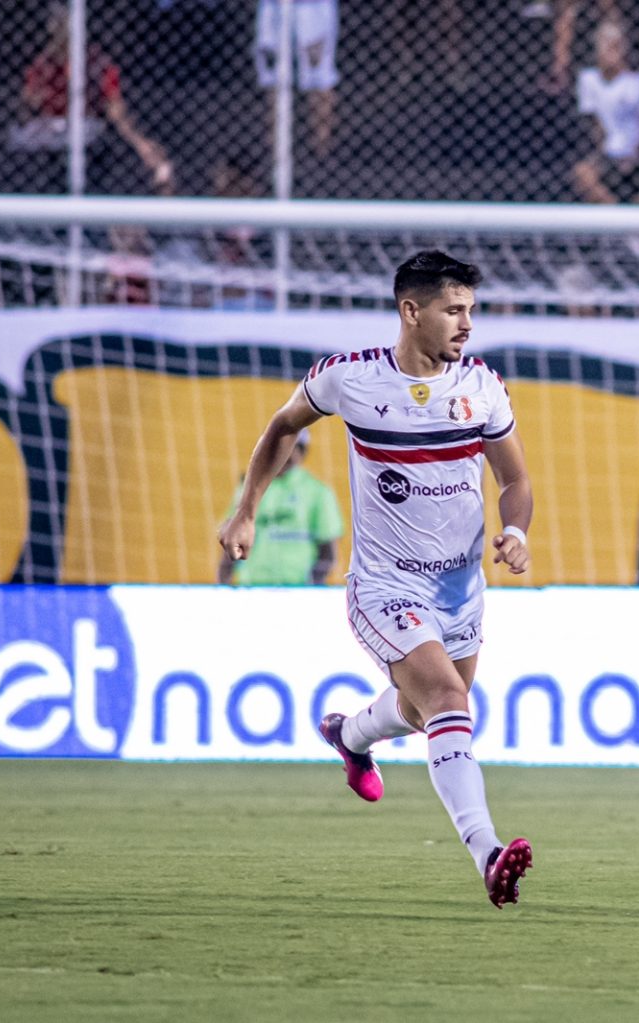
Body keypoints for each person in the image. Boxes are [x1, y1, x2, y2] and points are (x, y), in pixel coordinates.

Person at [217, 251, 536, 908]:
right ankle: (488, 852)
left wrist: (517, 531)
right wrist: (245, 509)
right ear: (410, 311)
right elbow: (284, 426)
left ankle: (350, 734)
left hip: (461, 590)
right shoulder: (350, 379)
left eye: (471, 310)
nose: (466, 324)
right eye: (453, 309)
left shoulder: (482, 386)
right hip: (386, 587)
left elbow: (516, 478)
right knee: (449, 701)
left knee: (427, 712)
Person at [15, 3, 172, 194]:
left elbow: (115, 109)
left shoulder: (97, 63)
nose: (61, 33)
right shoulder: (42, 65)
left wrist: (140, 143)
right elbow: (28, 104)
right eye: (56, 26)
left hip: (87, 131)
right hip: (49, 132)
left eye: (65, 26)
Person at [218, 428, 343, 586]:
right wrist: (223, 582)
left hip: (298, 590)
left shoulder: (318, 492)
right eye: (278, 446)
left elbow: (327, 553)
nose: (285, 454)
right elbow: (232, 540)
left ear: (302, 452)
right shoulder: (248, 488)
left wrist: (311, 588)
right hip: (251, 588)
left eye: (292, 448)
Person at [573, 21, 639, 205]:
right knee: (583, 173)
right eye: (606, 43)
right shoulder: (588, 79)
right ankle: (614, 216)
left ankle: (636, 221)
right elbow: (594, 124)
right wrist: (606, 151)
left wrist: (635, 152)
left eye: (616, 44)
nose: (611, 49)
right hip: (608, 150)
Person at [255, 0, 339, 155]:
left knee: (318, 76)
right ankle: (275, 149)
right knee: (273, 77)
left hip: (312, 8)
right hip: (274, 6)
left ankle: (322, 149)